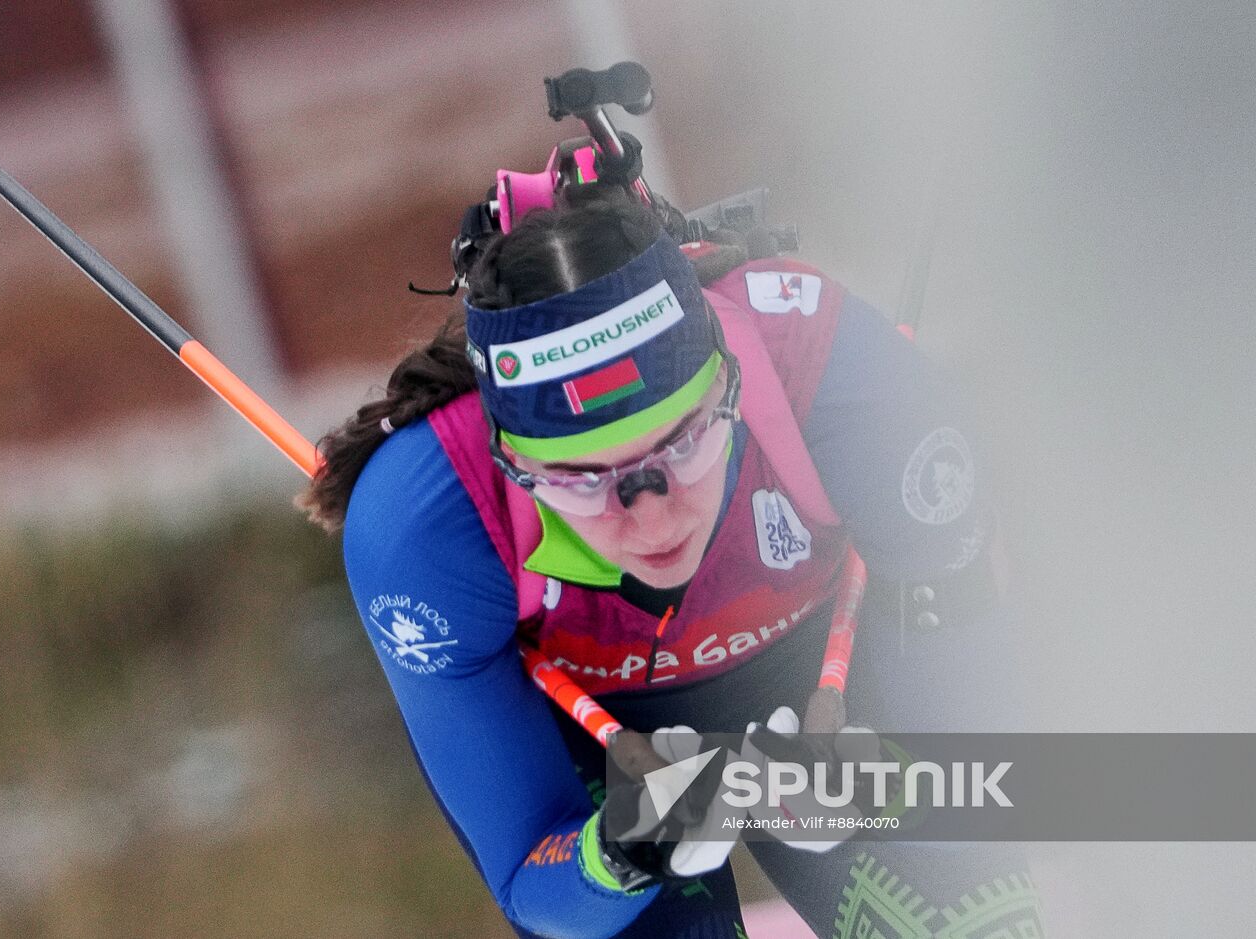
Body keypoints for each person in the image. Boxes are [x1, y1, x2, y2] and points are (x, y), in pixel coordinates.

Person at [299, 183, 1045, 938]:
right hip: (596, 747)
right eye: (582, 480)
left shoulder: (840, 379)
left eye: (682, 442)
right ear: (514, 463)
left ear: (731, 385)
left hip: (833, 682)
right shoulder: (430, 523)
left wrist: (885, 785)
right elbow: (530, 874)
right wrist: (621, 852)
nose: (651, 511)